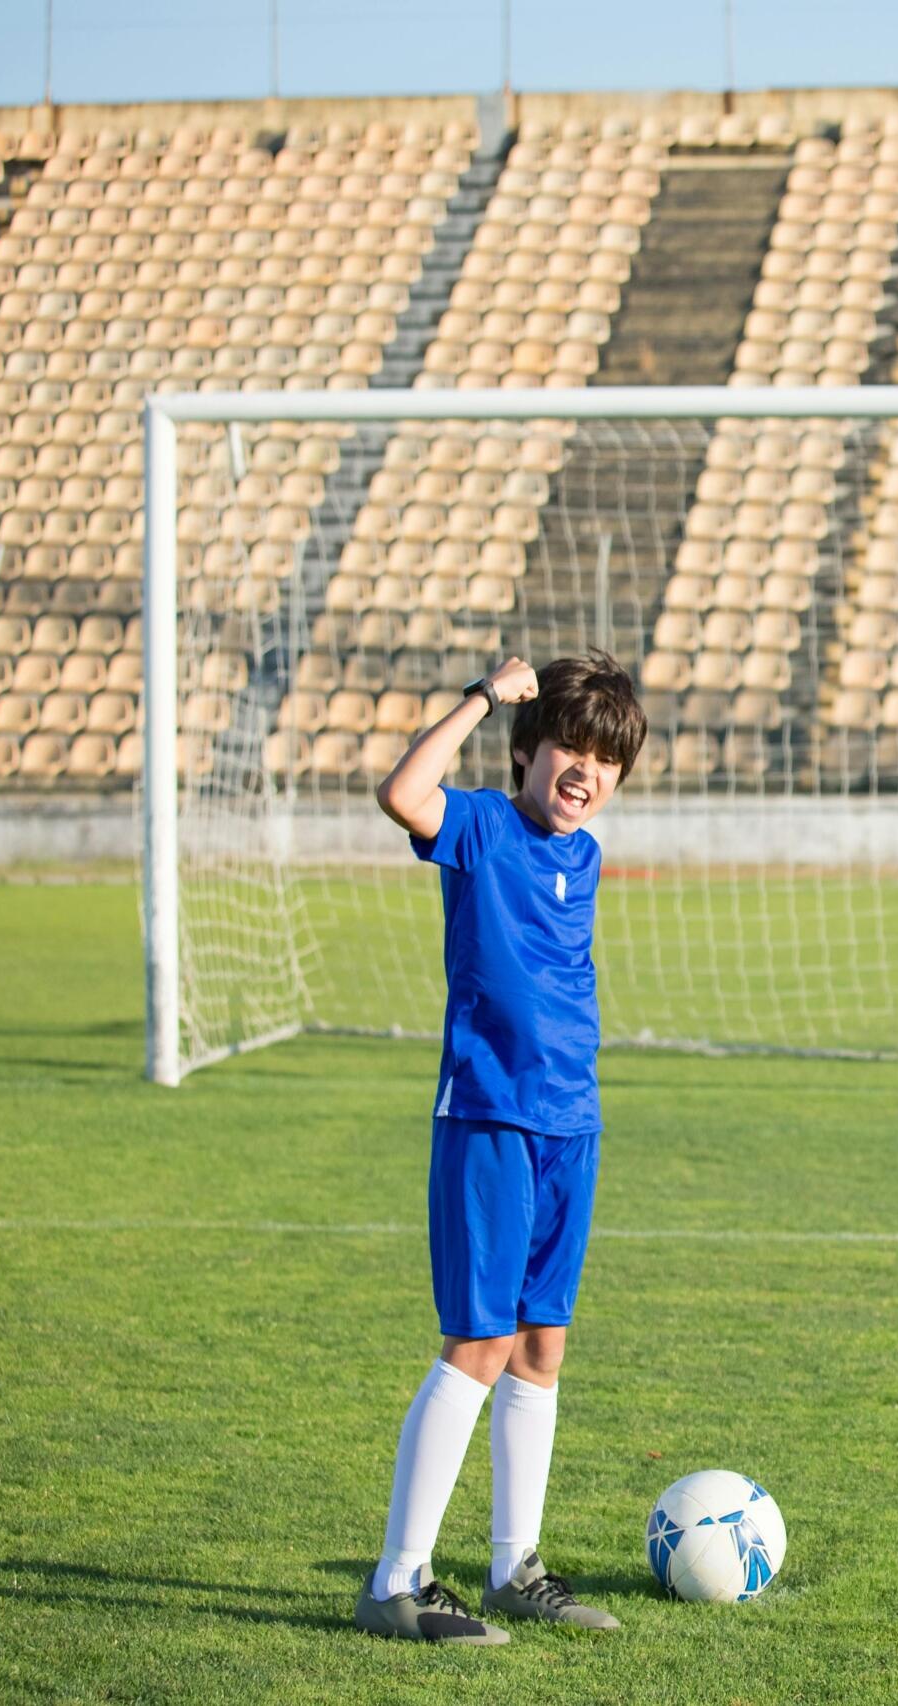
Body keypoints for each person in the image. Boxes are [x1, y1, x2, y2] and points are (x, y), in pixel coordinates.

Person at [354, 651, 647, 1644]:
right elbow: (402, 792)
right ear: (525, 752)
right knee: (476, 1341)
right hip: (490, 1116)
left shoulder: (588, 854)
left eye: (606, 758)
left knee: (540, 1342)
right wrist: (485, 696)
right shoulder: (479, 825)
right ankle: (397, 1578)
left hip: (573, 1121)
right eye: (569, 745)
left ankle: (515, 1565)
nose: (585, 769)